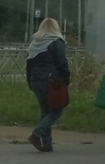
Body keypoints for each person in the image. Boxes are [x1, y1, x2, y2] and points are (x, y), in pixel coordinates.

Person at [26, 18, 71, 152]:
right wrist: (66, 77)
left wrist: (30, 82)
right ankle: (37, 134)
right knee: (57, 109)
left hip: (35, 80)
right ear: (56, 28)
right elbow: (62, 61)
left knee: (45, 110)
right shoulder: (57, 41)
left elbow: (29, 65)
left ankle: (46, 144)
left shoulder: (34, 44)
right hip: (52, 80)